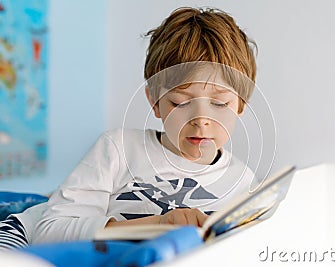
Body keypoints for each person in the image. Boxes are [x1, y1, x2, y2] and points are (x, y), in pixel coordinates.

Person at [32, 6, 258, 244]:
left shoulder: (243, 181)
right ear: (155, 101)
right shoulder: (118, 150)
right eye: (180, 103)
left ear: (241, 104)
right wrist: (159, 224)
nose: (201, 120)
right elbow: (48, 233)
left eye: (220, 103)